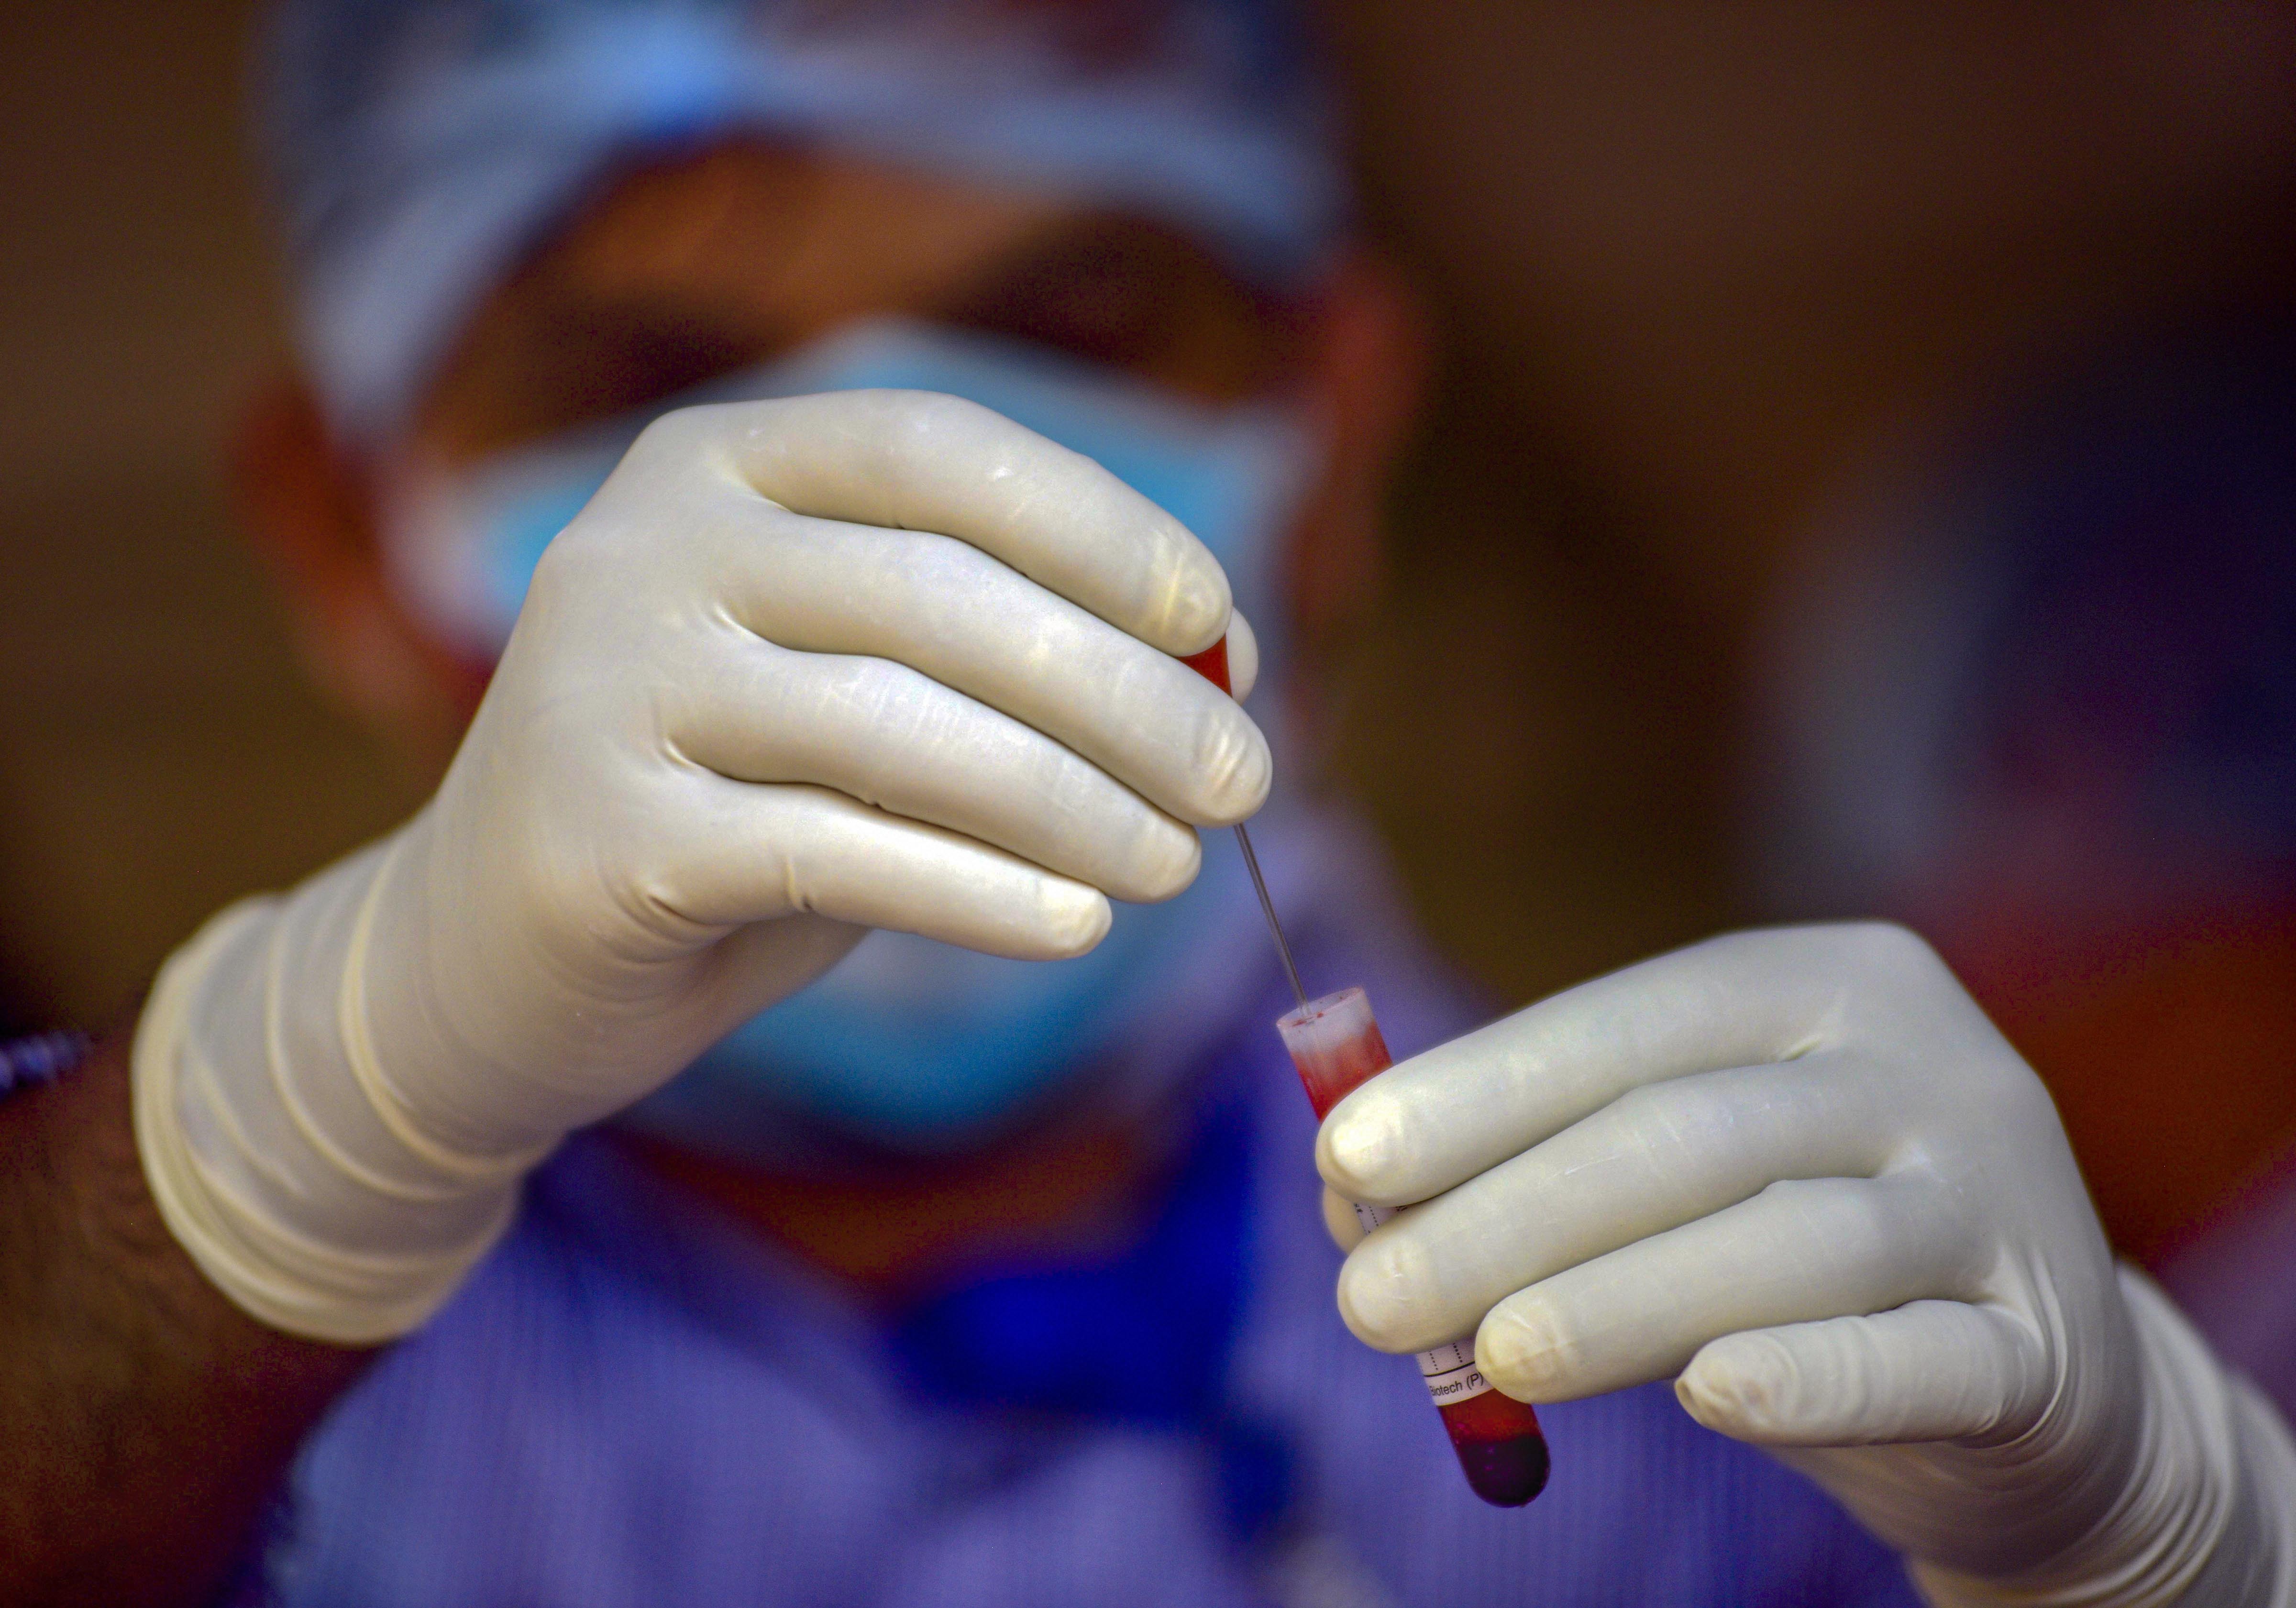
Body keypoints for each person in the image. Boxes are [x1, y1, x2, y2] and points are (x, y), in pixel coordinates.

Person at [0, 4, 2288, 1607]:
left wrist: (2166, 1564)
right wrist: (278, 1135)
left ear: (1342, 427)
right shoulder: (271, 1416)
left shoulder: (1743, 1383)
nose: (911, 526)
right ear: (343, 539)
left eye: (1065, 325)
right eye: (659, 379)